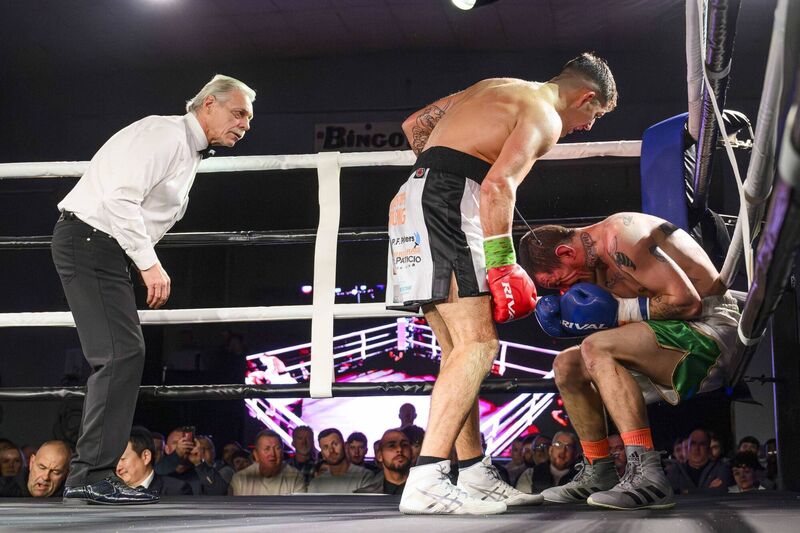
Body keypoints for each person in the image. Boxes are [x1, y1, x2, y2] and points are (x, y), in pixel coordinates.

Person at [388, 52, 617, 515]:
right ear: (586, 97)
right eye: (594, 115)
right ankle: (429, 476)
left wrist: (445, 168)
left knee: (459, 352)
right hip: (449, 201)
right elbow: (498, 187)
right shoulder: (544, 115)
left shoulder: (497, 85)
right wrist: (502, 263)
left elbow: (416, 125)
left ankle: (471, 471)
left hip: (416, 197)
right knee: (479, 345)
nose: (587, 127)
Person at [52, 74, 255, 505]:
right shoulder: (165, 135)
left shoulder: (185, 148)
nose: (244, 124)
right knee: (121, 355)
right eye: (237, 113)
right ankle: (90, 474)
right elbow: (120, 199)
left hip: (101, 247)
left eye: (248, 118)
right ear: (207, 106)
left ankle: (91, 474)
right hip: (92, 241)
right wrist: (150, 265)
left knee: (121, 354)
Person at [520, 212, 740, 510]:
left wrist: (616, 313)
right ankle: (599, 469)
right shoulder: (593, 265)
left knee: (596, 346)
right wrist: (574, 324)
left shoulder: (623, 237)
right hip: (675, 339)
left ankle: (647, 474)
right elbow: (629, 325)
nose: (563, 290)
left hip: (711, 331)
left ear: (566, 252)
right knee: (566, 365)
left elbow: (688, 303)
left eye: (560, 279)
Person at [116, 427, 191, 496]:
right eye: (115, 461)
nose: (117, 467)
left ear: (146, 457)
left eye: (122, 459)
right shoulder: (111, 491)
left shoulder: (176, 490)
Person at [228, 430, 305, 496]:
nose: (272, 454)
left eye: (277, 448)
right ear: (256, 455)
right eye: (267, 449)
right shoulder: (240, 479)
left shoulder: (295, 477)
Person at [666, 428, 733, 495]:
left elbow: (720, 492)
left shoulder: (721, 468)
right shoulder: (675, 470)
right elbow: (670, 494)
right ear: (688, 447)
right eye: (693, 443)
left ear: (708, 447)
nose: (696, 448)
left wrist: (685, 491)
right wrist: (707, 490)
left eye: (702, 444)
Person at [307, 429, 373, 494]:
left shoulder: (365, 476)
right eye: (326, 447)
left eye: (335, 444)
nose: (331, 450)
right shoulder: (316, 483)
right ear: (322, 454)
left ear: (345, 447)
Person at [515, 431, 580, 494]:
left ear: (575, 454)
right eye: (558, 444)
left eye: (569, 447)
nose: (563, 451)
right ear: (551, 450)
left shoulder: (581, 477)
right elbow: (522, 500)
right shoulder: (530, 474)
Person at [360, 429, 413, 495]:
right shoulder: (363, 496)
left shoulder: (427, 491)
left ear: (411, 452)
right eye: (391, 445)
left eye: (404, 445)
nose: (399, 449)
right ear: (379, 456)